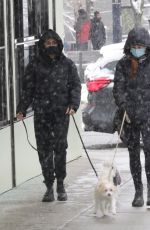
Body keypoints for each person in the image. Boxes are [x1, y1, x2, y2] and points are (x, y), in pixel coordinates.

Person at [16, 29, 81, 202]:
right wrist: (22, 108)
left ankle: (60, 183)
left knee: (60, 149)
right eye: (48, 43)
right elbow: (28, 89)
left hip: (61, 113)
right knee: (44, 150)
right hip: (42, 114)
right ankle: (49, 186)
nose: (51, 46)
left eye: (54, 43)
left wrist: (73, 104)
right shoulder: (34, 65)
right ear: (43, 46)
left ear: (59, 44)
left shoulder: (67, 65)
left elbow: (75, 86)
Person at [113, 26, 150, 207]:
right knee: (134, 154)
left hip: (148, 115)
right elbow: (118, 89)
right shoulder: (122, 65)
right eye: (135, 45)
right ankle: (138, 191)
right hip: (130, 116)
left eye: (141, 45)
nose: (138, 48)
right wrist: (123, 107)